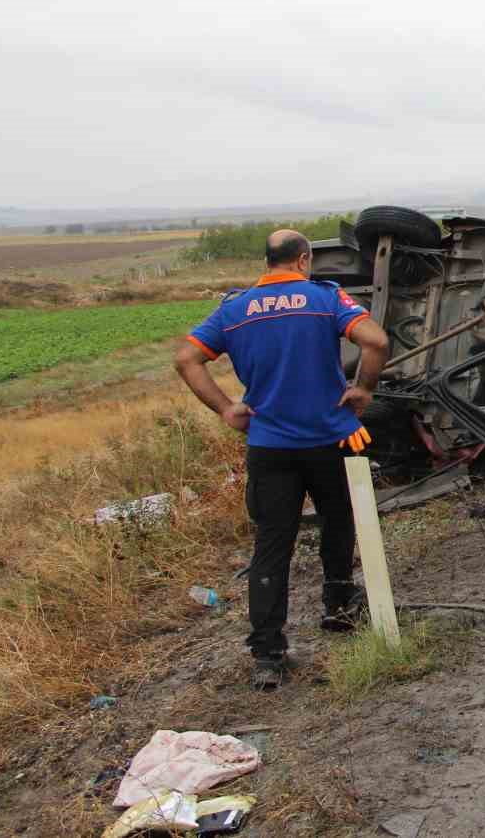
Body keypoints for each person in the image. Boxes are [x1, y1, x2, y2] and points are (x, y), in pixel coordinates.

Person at [173, 230, 390, 691]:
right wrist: (363, 389)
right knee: (338, 521)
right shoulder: (324, 299)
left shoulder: (234, 309)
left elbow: (187, 359)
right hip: (329, 438)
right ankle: (338, 609)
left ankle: (268, 653)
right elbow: (376, 341)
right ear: (304, 259)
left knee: (272, 544)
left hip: (270, 445)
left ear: (268, 261)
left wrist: (226, 408)